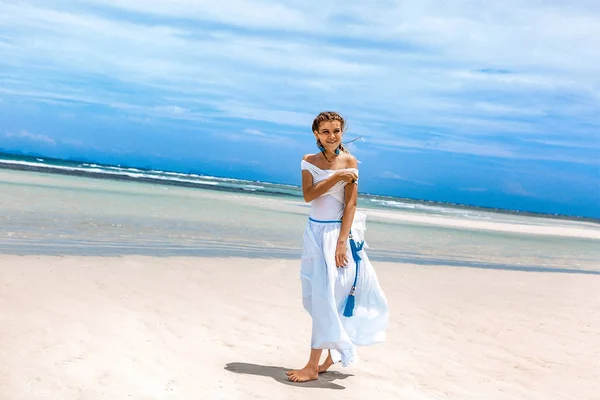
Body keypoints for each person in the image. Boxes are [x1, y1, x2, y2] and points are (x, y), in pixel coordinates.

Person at [287, 111, 389, 383]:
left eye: (336, 131)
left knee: (326, 297)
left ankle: (312, 365)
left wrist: (342, 242)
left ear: (341, 133)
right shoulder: (308, 161)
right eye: (325, 132)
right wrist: (336, 177)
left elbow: (351, 205)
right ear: (316, 134)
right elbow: (309, 195)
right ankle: (330, 356)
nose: (331, 136)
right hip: (313, 233)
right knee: (315, 295)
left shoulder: (350, 161)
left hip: (336, 234)